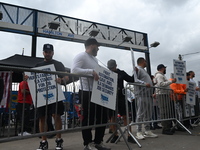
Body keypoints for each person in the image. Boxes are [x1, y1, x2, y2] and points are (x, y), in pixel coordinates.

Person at [72, 38, 110, 150]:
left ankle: (98, 141)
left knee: (102, 117)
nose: (98, 49)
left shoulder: (95, 60)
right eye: (97, 46)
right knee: (88, 118)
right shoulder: (81, 56)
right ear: (92, 45)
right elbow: (74, 70)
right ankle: (87, 143)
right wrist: (90, 71)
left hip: (96, 92)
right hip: (86, 91)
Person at [36, 44, 69, 150]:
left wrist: (62, 80)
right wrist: (27, 77)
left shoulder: (58, 64)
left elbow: (66, 77)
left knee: (56, 115)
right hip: (41, 96)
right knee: (42, 118)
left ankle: (59, 140)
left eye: (49, 52)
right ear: (43, 52)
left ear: (53, 53)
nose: (48, 53)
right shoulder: (38, 65)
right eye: (46, 51)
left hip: (55, 95)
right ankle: (43, 141)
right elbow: (33, 79)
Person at [107, 59, 135, 143]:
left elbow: (131, 79)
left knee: (125, 115)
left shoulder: (121, 73)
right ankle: (115, 135)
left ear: (116, 65)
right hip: (111, 97)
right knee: (112, 117)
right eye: (110, 68)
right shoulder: (107, 73)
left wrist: (135, 72)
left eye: (112, 67)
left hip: (121, 97)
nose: (111, 69)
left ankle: (129, 135)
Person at [135, 57, 158, 140]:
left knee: (148, 113)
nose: (146, 62)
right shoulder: (137, 69)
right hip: (142, 94)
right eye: (145, 61)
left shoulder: (143, 70)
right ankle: (139, 131)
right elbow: (135, 80)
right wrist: (144, 83)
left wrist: (152, 84)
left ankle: (147, 130)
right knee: (140, 113)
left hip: (148, 95)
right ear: (142, 61)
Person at [154, 64, 176, 135]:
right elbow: (161, 84)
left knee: (167, 111)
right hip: (162, 95)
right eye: (164, 68)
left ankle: (167, 127)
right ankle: (165, 128)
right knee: (164, 111)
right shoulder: (159, 76)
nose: (165, 69)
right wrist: (171, 82)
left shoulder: (161, 75)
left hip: (164, 94)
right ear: (162, 68)